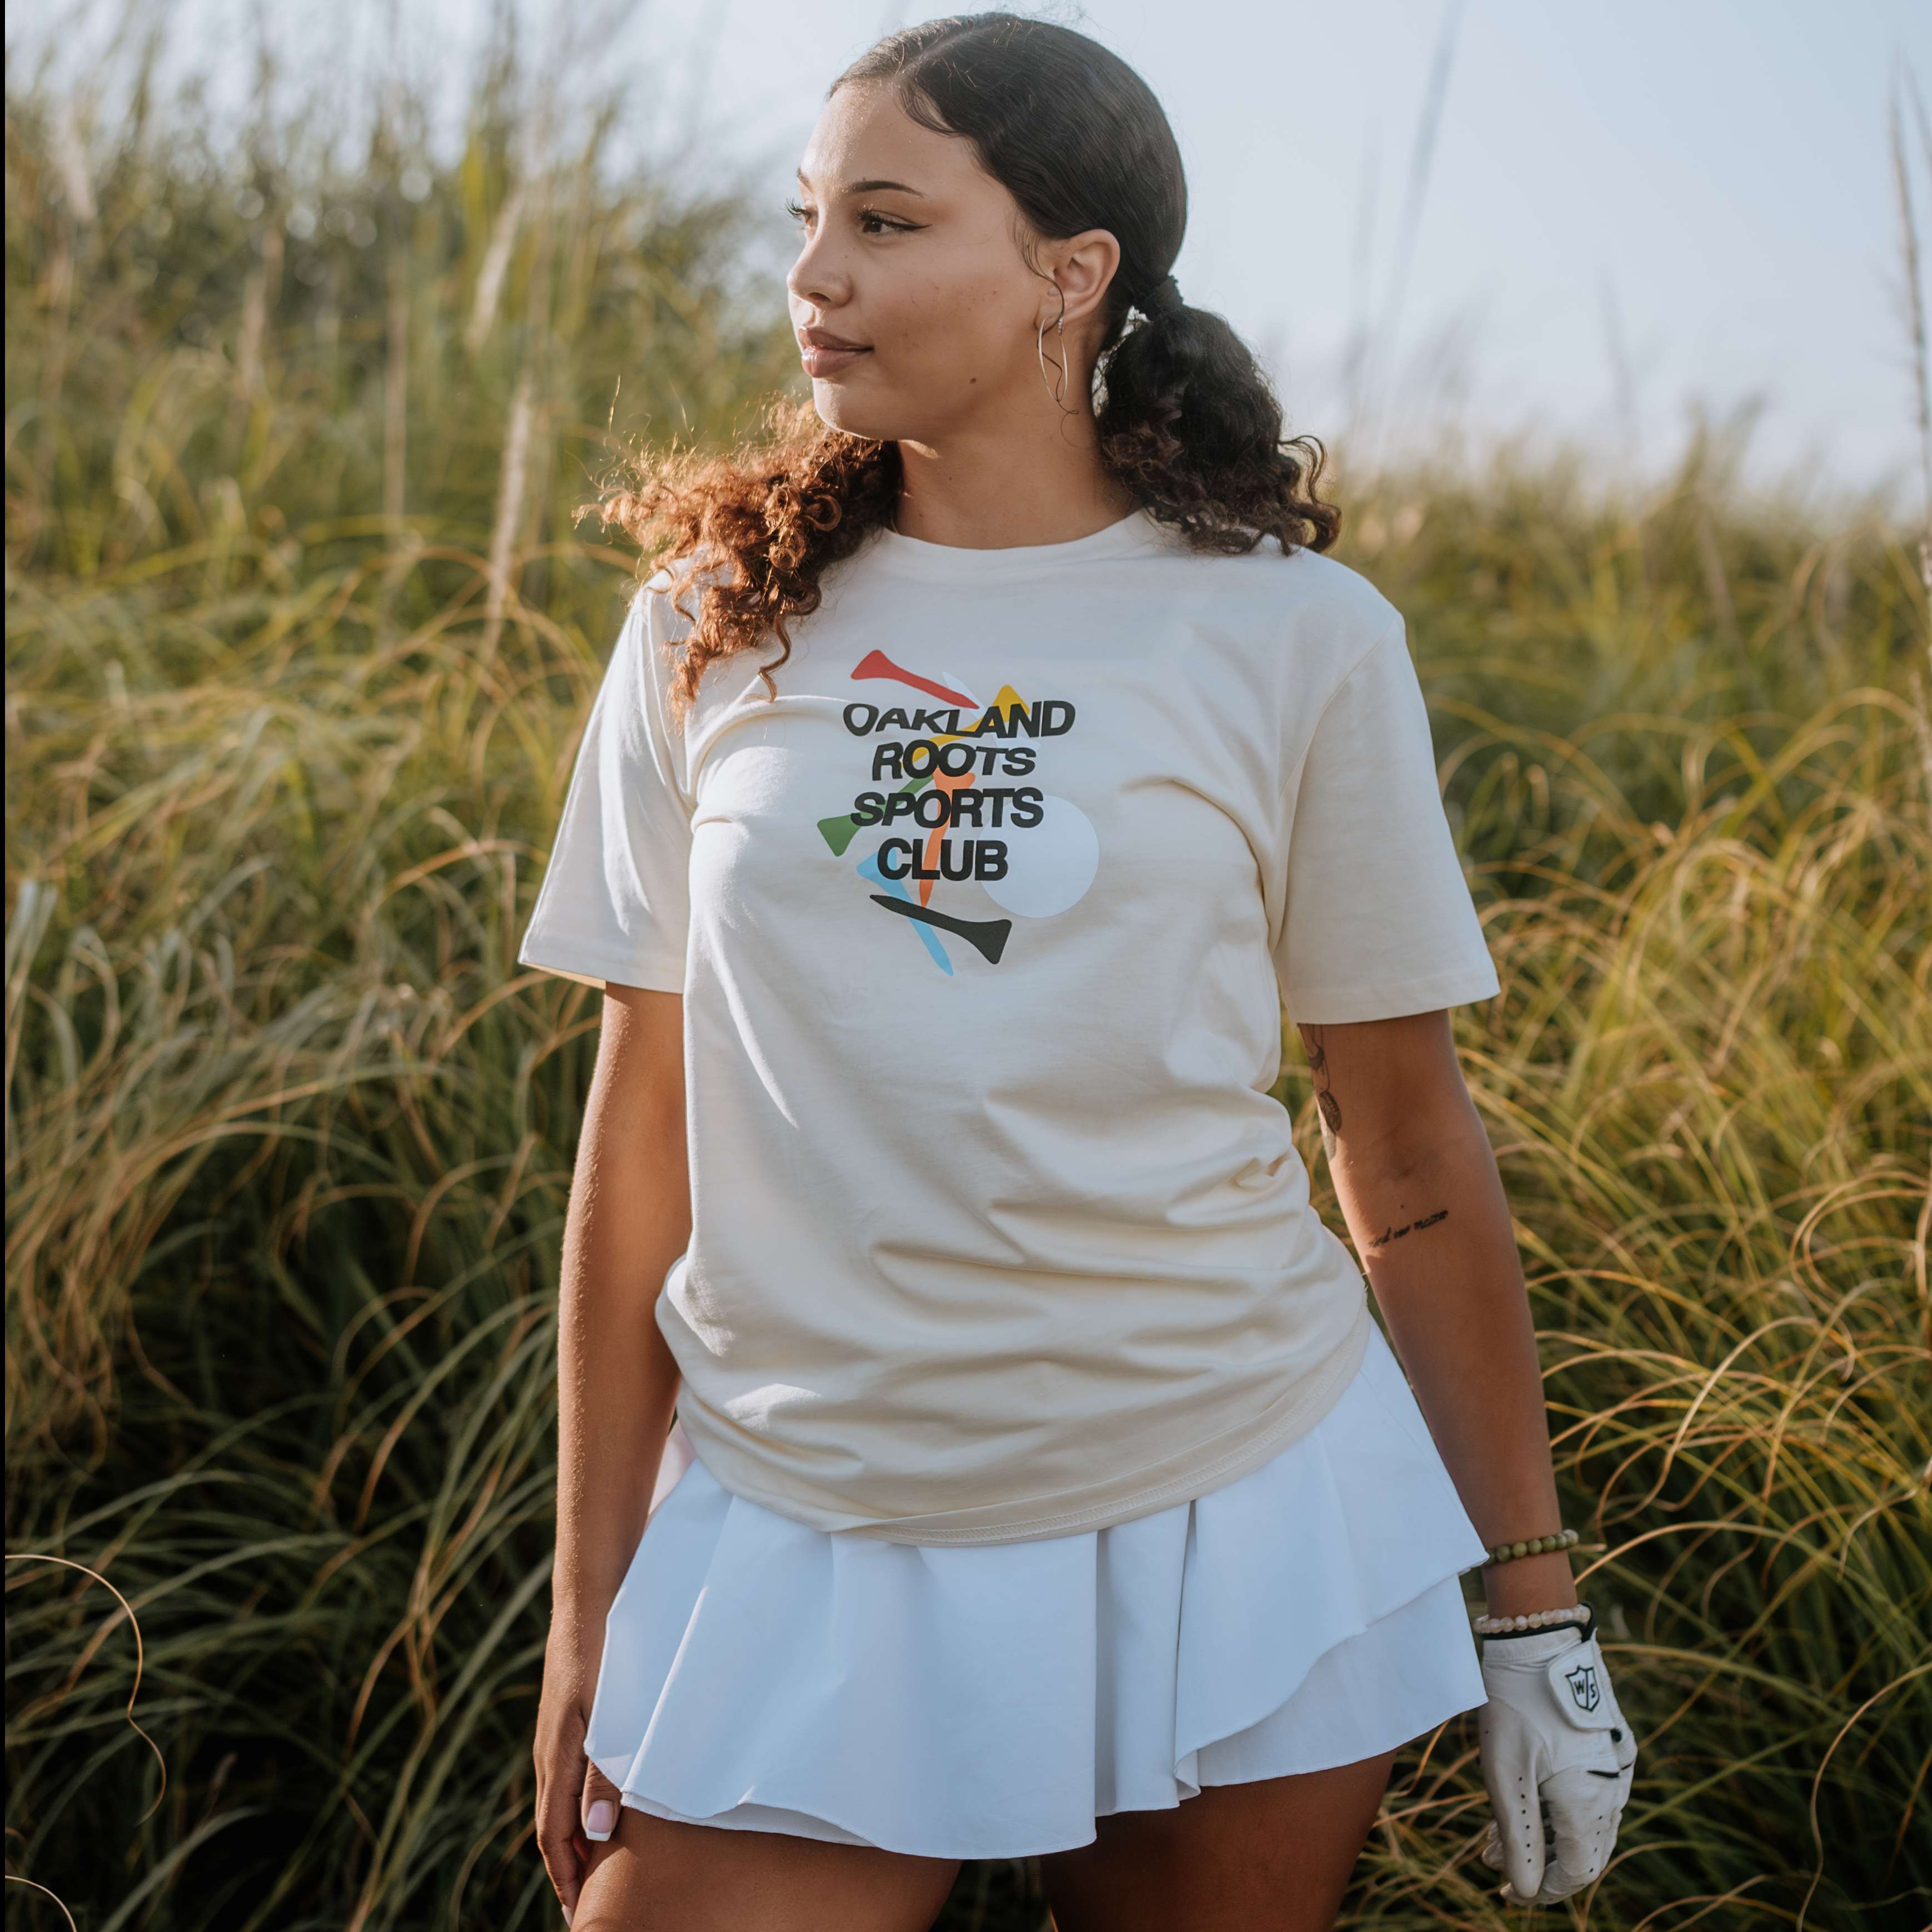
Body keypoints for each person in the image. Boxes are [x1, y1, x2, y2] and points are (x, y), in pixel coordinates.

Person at [522, 15, 1636, 1929]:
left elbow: (1402, 1140)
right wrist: (589, 1596)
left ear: (1071, 270)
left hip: (1231, 1500)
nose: (814, 275)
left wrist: (1530, 1596)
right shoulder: (708, 628)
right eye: (806, 218)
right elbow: (642, 1134)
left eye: (883, 219)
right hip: (807, 1516)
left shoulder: (1295, 640)